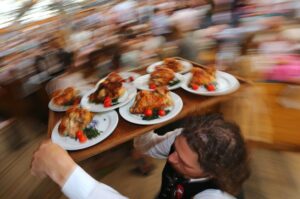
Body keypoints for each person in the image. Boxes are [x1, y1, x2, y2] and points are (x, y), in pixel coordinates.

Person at [31, 113, 250, 199]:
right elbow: (146, 146)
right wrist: (139, 121)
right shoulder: (184, 138)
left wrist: (65, 172)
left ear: (213, 172)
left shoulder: (216, 197)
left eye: (183, 162)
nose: (172, 159)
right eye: (176, 149)